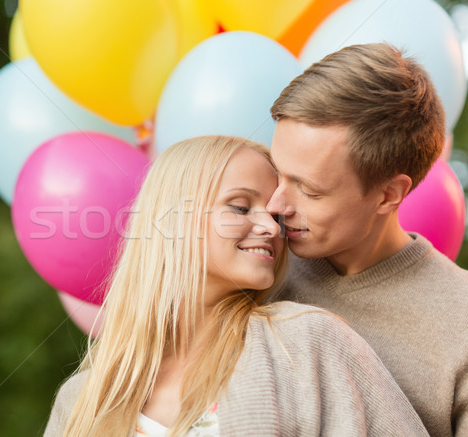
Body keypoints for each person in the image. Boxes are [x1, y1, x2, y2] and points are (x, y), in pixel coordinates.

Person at [43, 135, 428, 436]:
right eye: (241, 207)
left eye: (275, 215)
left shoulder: (306, 342)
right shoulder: (81, 400)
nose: (270, 227)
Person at [267, 43, 468, 437]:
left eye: (308, 189)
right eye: (277, 173)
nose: (276, 204)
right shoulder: (252, 263)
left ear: (388, 194)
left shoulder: (460, 324)